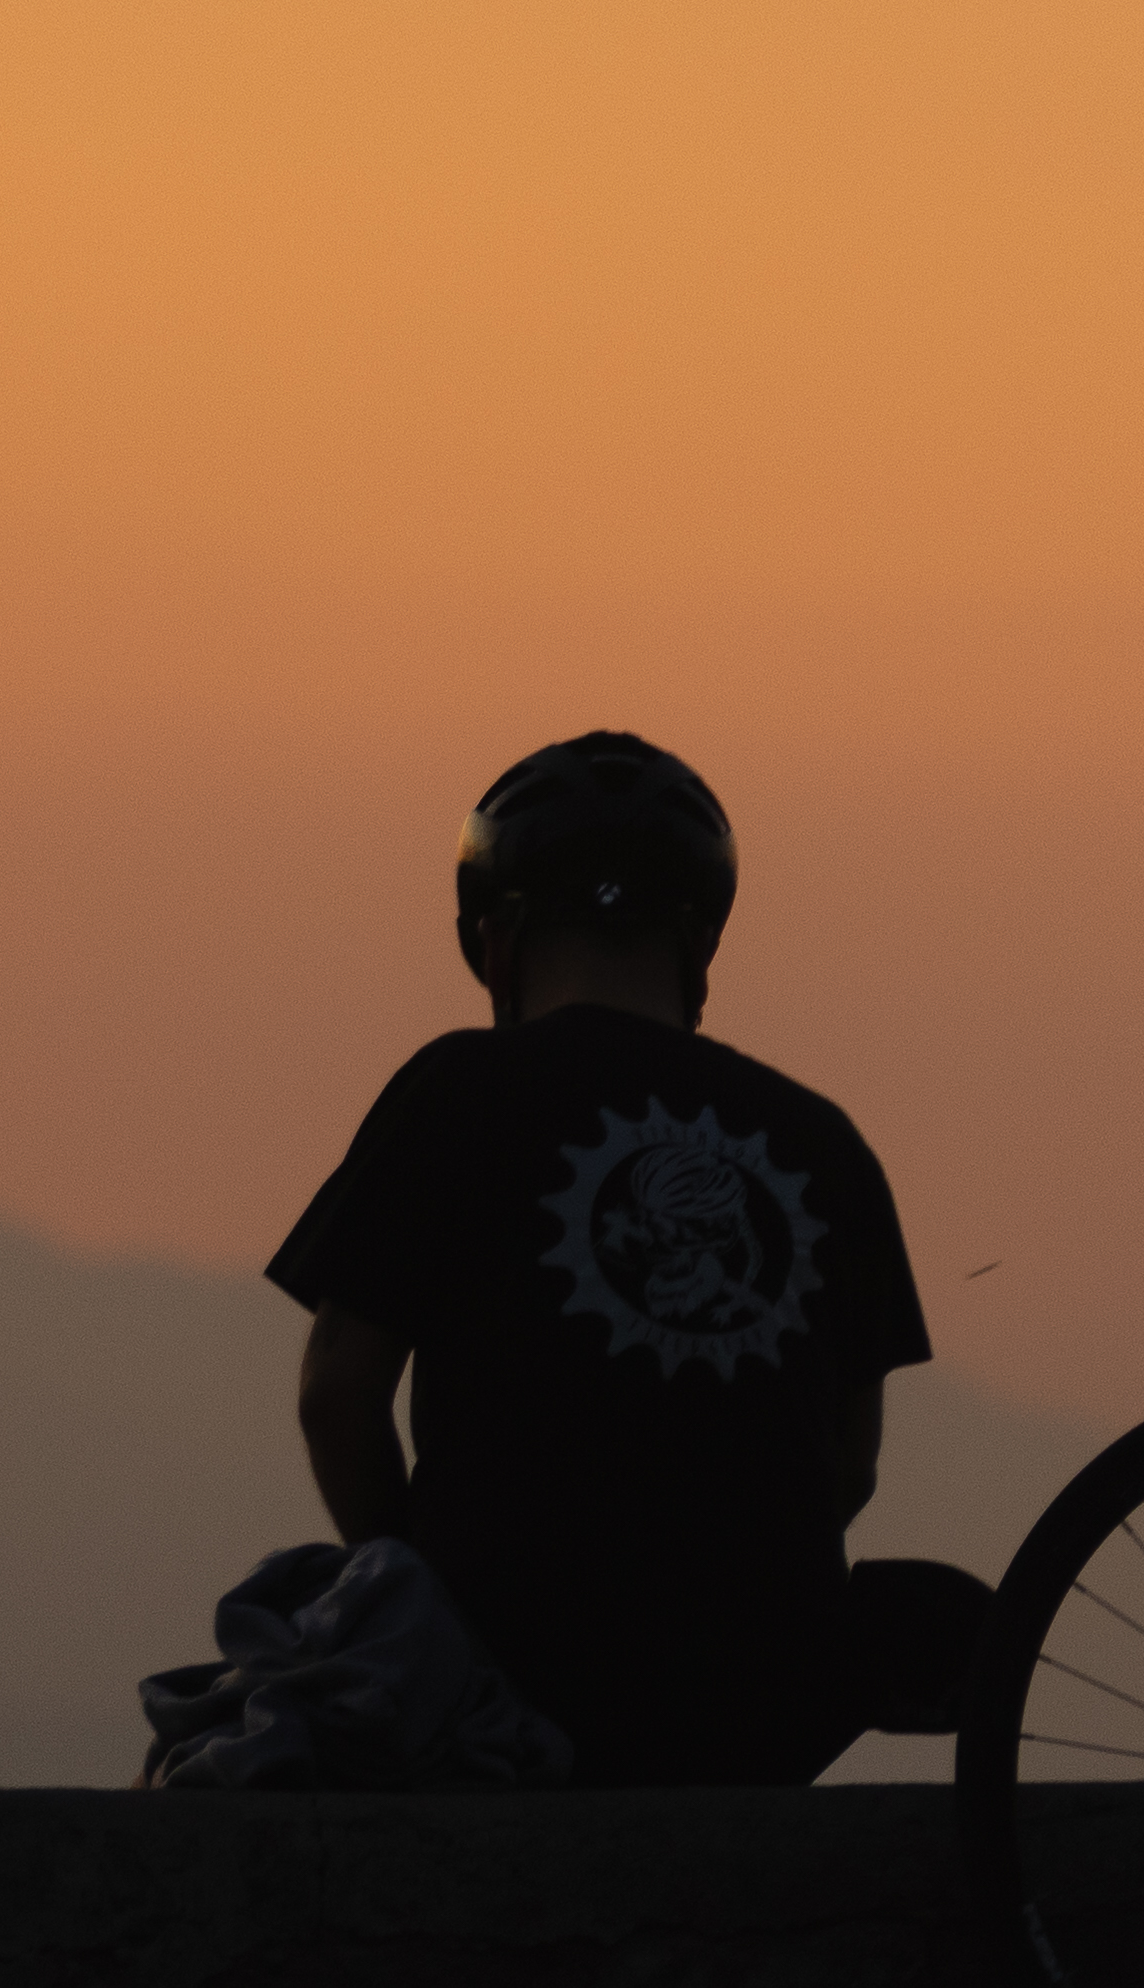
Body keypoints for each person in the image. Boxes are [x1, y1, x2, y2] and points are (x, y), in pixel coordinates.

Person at [264, 731, 985, 1784]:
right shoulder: (824, 1142)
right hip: (753, 1705)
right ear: (699, 942)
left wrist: (418, 1603)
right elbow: (849, 1463)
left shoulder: (458, 1090)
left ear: (494, 940)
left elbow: (337, 1394)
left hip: (517, 1688)